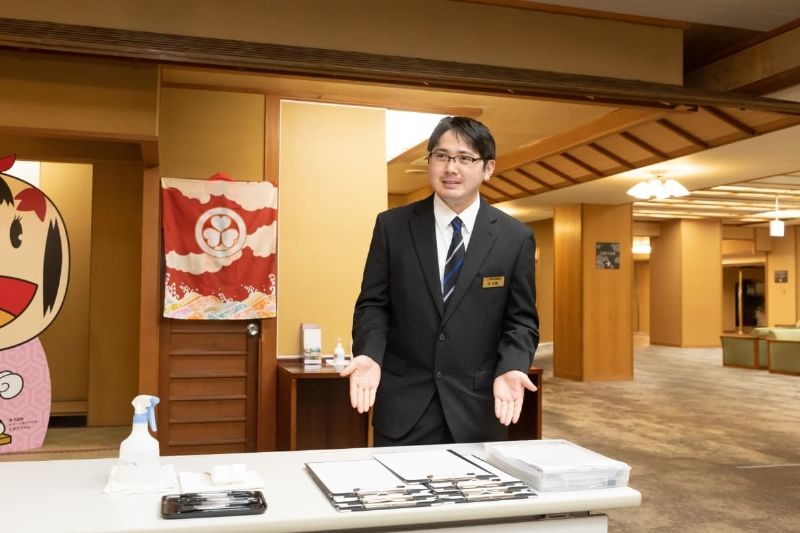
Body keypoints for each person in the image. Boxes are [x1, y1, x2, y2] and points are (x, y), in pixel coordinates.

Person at [341, 116, 539, 446]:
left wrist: (513, 365)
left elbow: (521, 321)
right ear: (430, 161)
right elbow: (373, 305)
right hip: (404, 407)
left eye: (465, 158)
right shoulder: (393, 227)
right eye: (441, 156)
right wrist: (369, 352)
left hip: (478, 407)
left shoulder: (514, 237)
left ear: (488, 168)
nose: (451, 168)